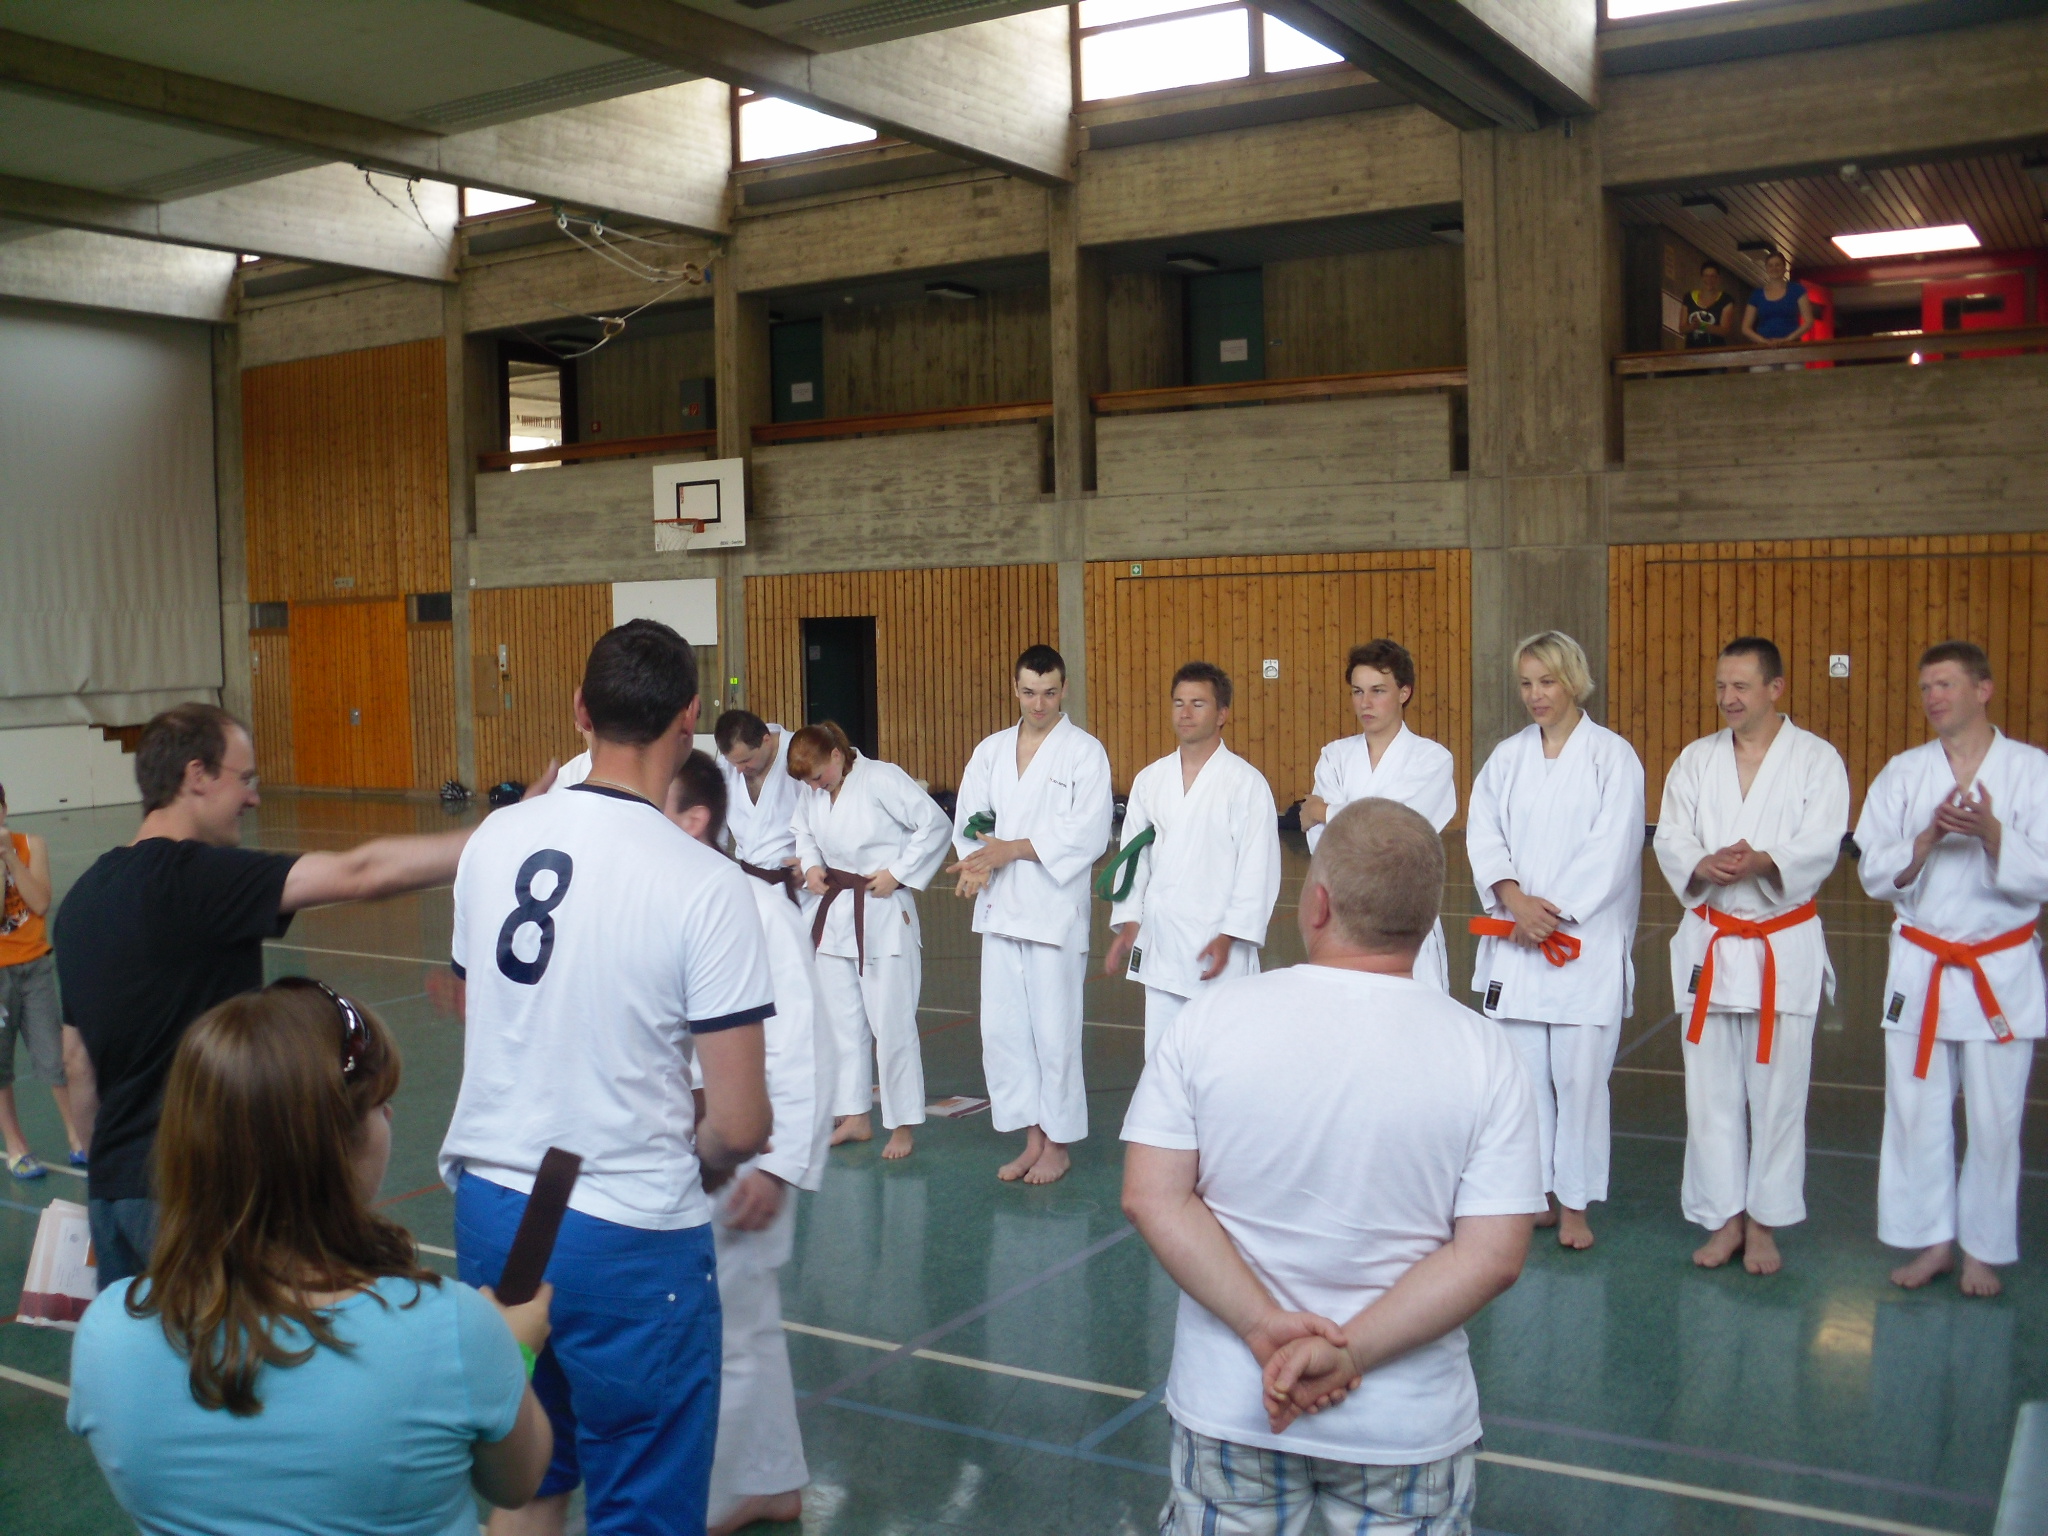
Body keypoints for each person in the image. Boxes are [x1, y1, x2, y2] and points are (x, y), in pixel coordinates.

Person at [1121, 798, 1542, 1536]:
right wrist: (1353, 1357)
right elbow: (1493, 1256)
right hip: (1404, 1423)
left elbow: (1152, 1198)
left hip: (1236, 1401)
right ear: (1427, 924)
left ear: (1317, 905)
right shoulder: (1485, 1053)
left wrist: (1262, 1326)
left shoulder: (1209, 1021)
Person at [440, 618, 775, 1536]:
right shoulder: (704, 883)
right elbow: (741, 1123)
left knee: (527, 1475)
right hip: (626, 1229)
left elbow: (487, 1006)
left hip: (493, 1209)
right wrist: (701, 1151)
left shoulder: (494, 839)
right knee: (643, 1494)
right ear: (690, 719)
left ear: (580, 710)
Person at [68, 979, 555, 1533]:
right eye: (376, 1105)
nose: (389, 1118)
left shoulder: (108, 1333)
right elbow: (517, 1483)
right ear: (335, 1147)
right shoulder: (455, 1331)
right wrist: (514, 1353)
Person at [53, 702, 505, 1290]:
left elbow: (77, 1063)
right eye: (244, 779)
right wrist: (507, 836)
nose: (254, 798)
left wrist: (113, 1177)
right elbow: (362, 873)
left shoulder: (82, 900)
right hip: (198, 1196)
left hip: (114, 1197)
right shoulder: (197, 878)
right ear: (196, 776)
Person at [667, 751, 835, 1536]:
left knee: (725, 1328)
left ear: (694, 820)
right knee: (746, 1324)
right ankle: (770, 1482)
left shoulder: (757, 909)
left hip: (742, 1153)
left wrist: (779, 1166)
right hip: (683, 1145)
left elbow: (803, 1043)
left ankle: (722, 1494)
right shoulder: (664, 897)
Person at [1854, 641, 2048, 1299]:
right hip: (1922, 965)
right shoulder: (1904, 773)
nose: (1933, 697)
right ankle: (1931, 1240)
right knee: (1915, 1111)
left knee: (1996, 1120)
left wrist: (1993, 834)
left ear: (1982, 689)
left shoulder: (2030, 770)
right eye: (1926, 687)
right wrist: (1929, 839)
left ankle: (1983, 1252)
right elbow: (1872, 869)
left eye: (1945, 684)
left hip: (1999, 967)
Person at [1653, 638, 1848, 1276]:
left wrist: (1767, 862)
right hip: (1711, 940)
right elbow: (1671, 835)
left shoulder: (1816, 760)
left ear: (1775, 688)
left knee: (1778, 1096)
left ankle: (1765, 1222)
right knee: (1708, 1096)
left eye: (1740, 686)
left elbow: (1823, 841)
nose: (1728, 698)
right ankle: (1723, 1219)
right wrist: (1700, 862)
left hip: (1778, 945)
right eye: (1721, 686)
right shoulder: (1695, 760)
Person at [1467, 631, 1644, 1252]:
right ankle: (1536, 1194)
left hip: (1581, 946)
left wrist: (1553, 912)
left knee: (1581, 1084)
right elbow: (1483, 833)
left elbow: (1614, 848)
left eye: (1547, 681)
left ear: (1573, 681)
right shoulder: (1507, 757)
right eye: (1526, 683)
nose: (1535, 695)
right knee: (1523, 1084)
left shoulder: (1612, 757)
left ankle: (1574, 1204)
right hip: (1518, 941)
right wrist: (1513, 898)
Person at [948, 645, 1114, 1185]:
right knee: (1005, 1032)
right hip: (1001, 910)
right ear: (1015, 690)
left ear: (1063, 690)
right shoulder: (991, 751)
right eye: (1028, 692)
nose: (1038, 704)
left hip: (1052, 913)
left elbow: (1089, 833)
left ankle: (1058, 1144)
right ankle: (1032, 1138)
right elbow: (971, 817)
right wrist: (976, 863)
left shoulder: (1084, 753)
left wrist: (1011, 850)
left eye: (1048, 693)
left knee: (1054, 1032)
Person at [789, 720, 952, 1160]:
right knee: (841, 1026)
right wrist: (811, 865)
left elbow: (935, 825)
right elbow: (803, 831)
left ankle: (902, 1125)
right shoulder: (813, 790)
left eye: (818, 776)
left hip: (881, 914)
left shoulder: (881, 778)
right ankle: (855, 1116)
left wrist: (898, 872)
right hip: (836, 916)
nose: (815, 787)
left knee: (892, 1027)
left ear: (836, 756)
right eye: (808, 782)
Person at [1104, 662, 1281, 1059]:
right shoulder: (1150, 779)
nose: (1185, 713)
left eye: (1198, 704)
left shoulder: (1246, 784)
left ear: (1222, 714)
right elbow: (1134, 860)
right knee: (1161, 1063)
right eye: (1178, 703)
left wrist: (1230, 935)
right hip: (1163, 944)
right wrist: (1130, 921)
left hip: (1218, 945)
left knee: (1221, 1064)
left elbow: (1258, 870)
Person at [1300, 639, 1458, 990]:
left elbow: (1396, 828)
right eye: (1357, 692)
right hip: (1343, 919)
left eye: (1378, 691)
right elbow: (1323, 843)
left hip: (1405, 917)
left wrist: (1323, 810)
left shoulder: (1432, 759)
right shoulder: (1335, 756)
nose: (1365, 703)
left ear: (1404, 692)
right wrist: (1350, 823)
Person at [0, 782, 85, 1178]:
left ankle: (77, 1136)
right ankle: (16, 1145)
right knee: (1, 1064)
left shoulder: (32, 845)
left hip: (35, 967)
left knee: (55, 1056)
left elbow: (40, 901)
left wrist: (10, 856)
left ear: (5, 808)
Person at [713, 709, 808, 879]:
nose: (739, 769)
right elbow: (715, 826)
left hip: (797, 881)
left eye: (746, 760)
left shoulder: (800, 756)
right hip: (748, 880)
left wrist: (814, 860)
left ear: (766, 740)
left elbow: (824, 816)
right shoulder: (725, 768)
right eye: (733, 762)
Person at [1740, 251, 1816, 364]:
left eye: (1777, 265)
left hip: (1791, 346)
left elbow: (1809, 321)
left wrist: (1787, 339)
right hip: (1764, 348)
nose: (1774, 268)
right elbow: (1745, 328)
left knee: (1793, 373)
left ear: (1784, 268)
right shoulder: (1757, 294)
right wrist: (1764, 342)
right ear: (1766, 269)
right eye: (1770, 265)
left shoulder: (1797, 290)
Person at [1682, 261, 1738, 349]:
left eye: (1713, 276)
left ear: (1718, 278)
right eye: (1706, 276)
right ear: (1701, 277)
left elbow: (1725, 330)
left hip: (1715, 351)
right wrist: (1692, 326)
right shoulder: (1689, 297)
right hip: (1692, 350)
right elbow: (1682, 328)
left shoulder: (1726, 299)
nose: (1709, 279)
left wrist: (1702, 326)